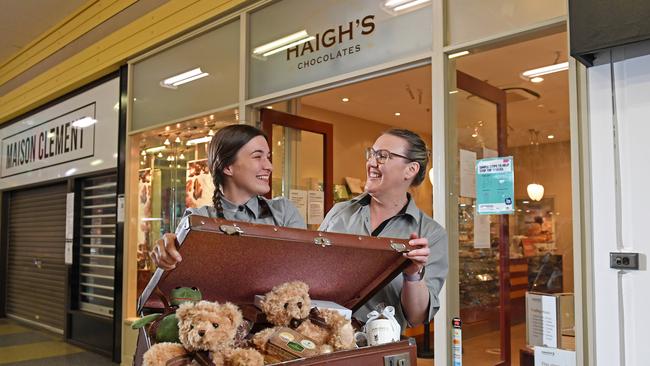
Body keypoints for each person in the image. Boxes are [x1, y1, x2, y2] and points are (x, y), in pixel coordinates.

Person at [319, 128, 448, 328]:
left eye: (383, 156)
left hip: (379, 348)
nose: (371, 162)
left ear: (410, 170)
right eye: (371, 154)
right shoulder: (339, 213)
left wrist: (413, 274)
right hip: (323, 338)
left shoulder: (430, 234)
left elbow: (416, 317)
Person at [152, 124, 306, 270]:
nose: (269, 166)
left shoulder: (284, 212)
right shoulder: (199, 219)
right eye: (258, 157)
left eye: (268, 157)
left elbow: (304, 268)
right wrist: (168, 253)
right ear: (227, 167)